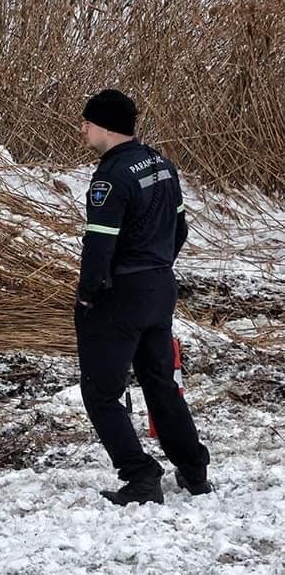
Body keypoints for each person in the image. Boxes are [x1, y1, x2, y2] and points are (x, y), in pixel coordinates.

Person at [75, 89, 212, 506]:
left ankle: (140, 475)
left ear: (106, 126)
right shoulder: (161, 164)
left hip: (122, 294)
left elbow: (99, 247)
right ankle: (193, 469)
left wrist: (87, 294)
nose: (82, 128)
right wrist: (157, 265)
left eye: (87, 122)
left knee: (100, 392)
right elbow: (180, 228)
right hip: (159, 287)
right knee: (160, 383)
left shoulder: (110, 178)